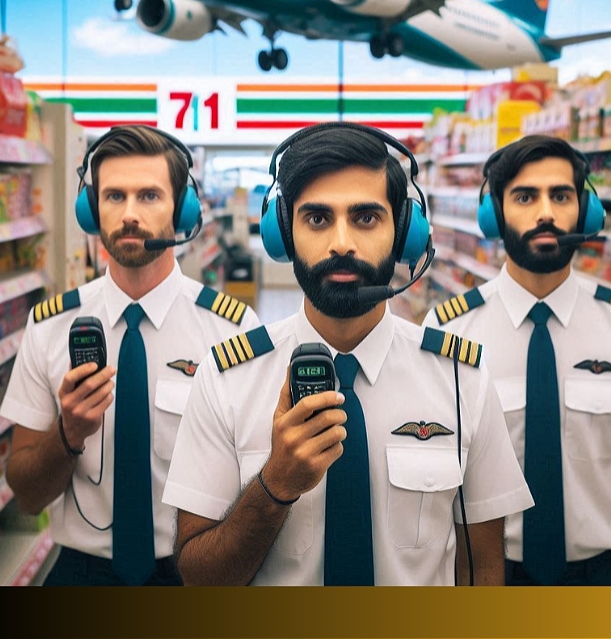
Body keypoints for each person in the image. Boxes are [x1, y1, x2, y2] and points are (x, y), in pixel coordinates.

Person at [163, 121, 533, 586]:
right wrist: (274, 484)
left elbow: (481, 565)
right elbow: (198, 577)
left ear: (404, 233)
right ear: (284, 234)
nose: (342, 242)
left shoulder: (462, 377)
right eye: (317, 219)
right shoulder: (225, 377)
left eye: (366, 218)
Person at [422, 134, 611, 586]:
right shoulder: (449, 333)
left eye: (561, 196)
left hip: (599, 576)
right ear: (494, 214)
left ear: (585, 212)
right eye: (525, 196)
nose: (545, 212)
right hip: (487, 574)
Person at [0, 124, 260, 586]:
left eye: (149, 196)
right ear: (91, 209)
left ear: (181, 210)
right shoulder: (49, 327)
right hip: (82, 572)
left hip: (195, 573)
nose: (130, 214)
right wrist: (68, 432)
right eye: (114, 196)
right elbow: (26, 494)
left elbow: (256, 490)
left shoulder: (234, 333)